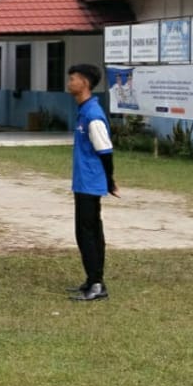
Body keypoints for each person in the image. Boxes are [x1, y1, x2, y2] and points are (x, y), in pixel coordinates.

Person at [66, 63, 118, 302]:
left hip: (90, 183)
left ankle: (97, 284)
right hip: (84, 182)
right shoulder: (84, 110)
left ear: (84, 83)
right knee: (87, 231)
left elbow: (105, 151)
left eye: (73, 79)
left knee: (89, 233)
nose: (70, 83)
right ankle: (92, 279)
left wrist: (109, 180)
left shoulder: (92, 115)